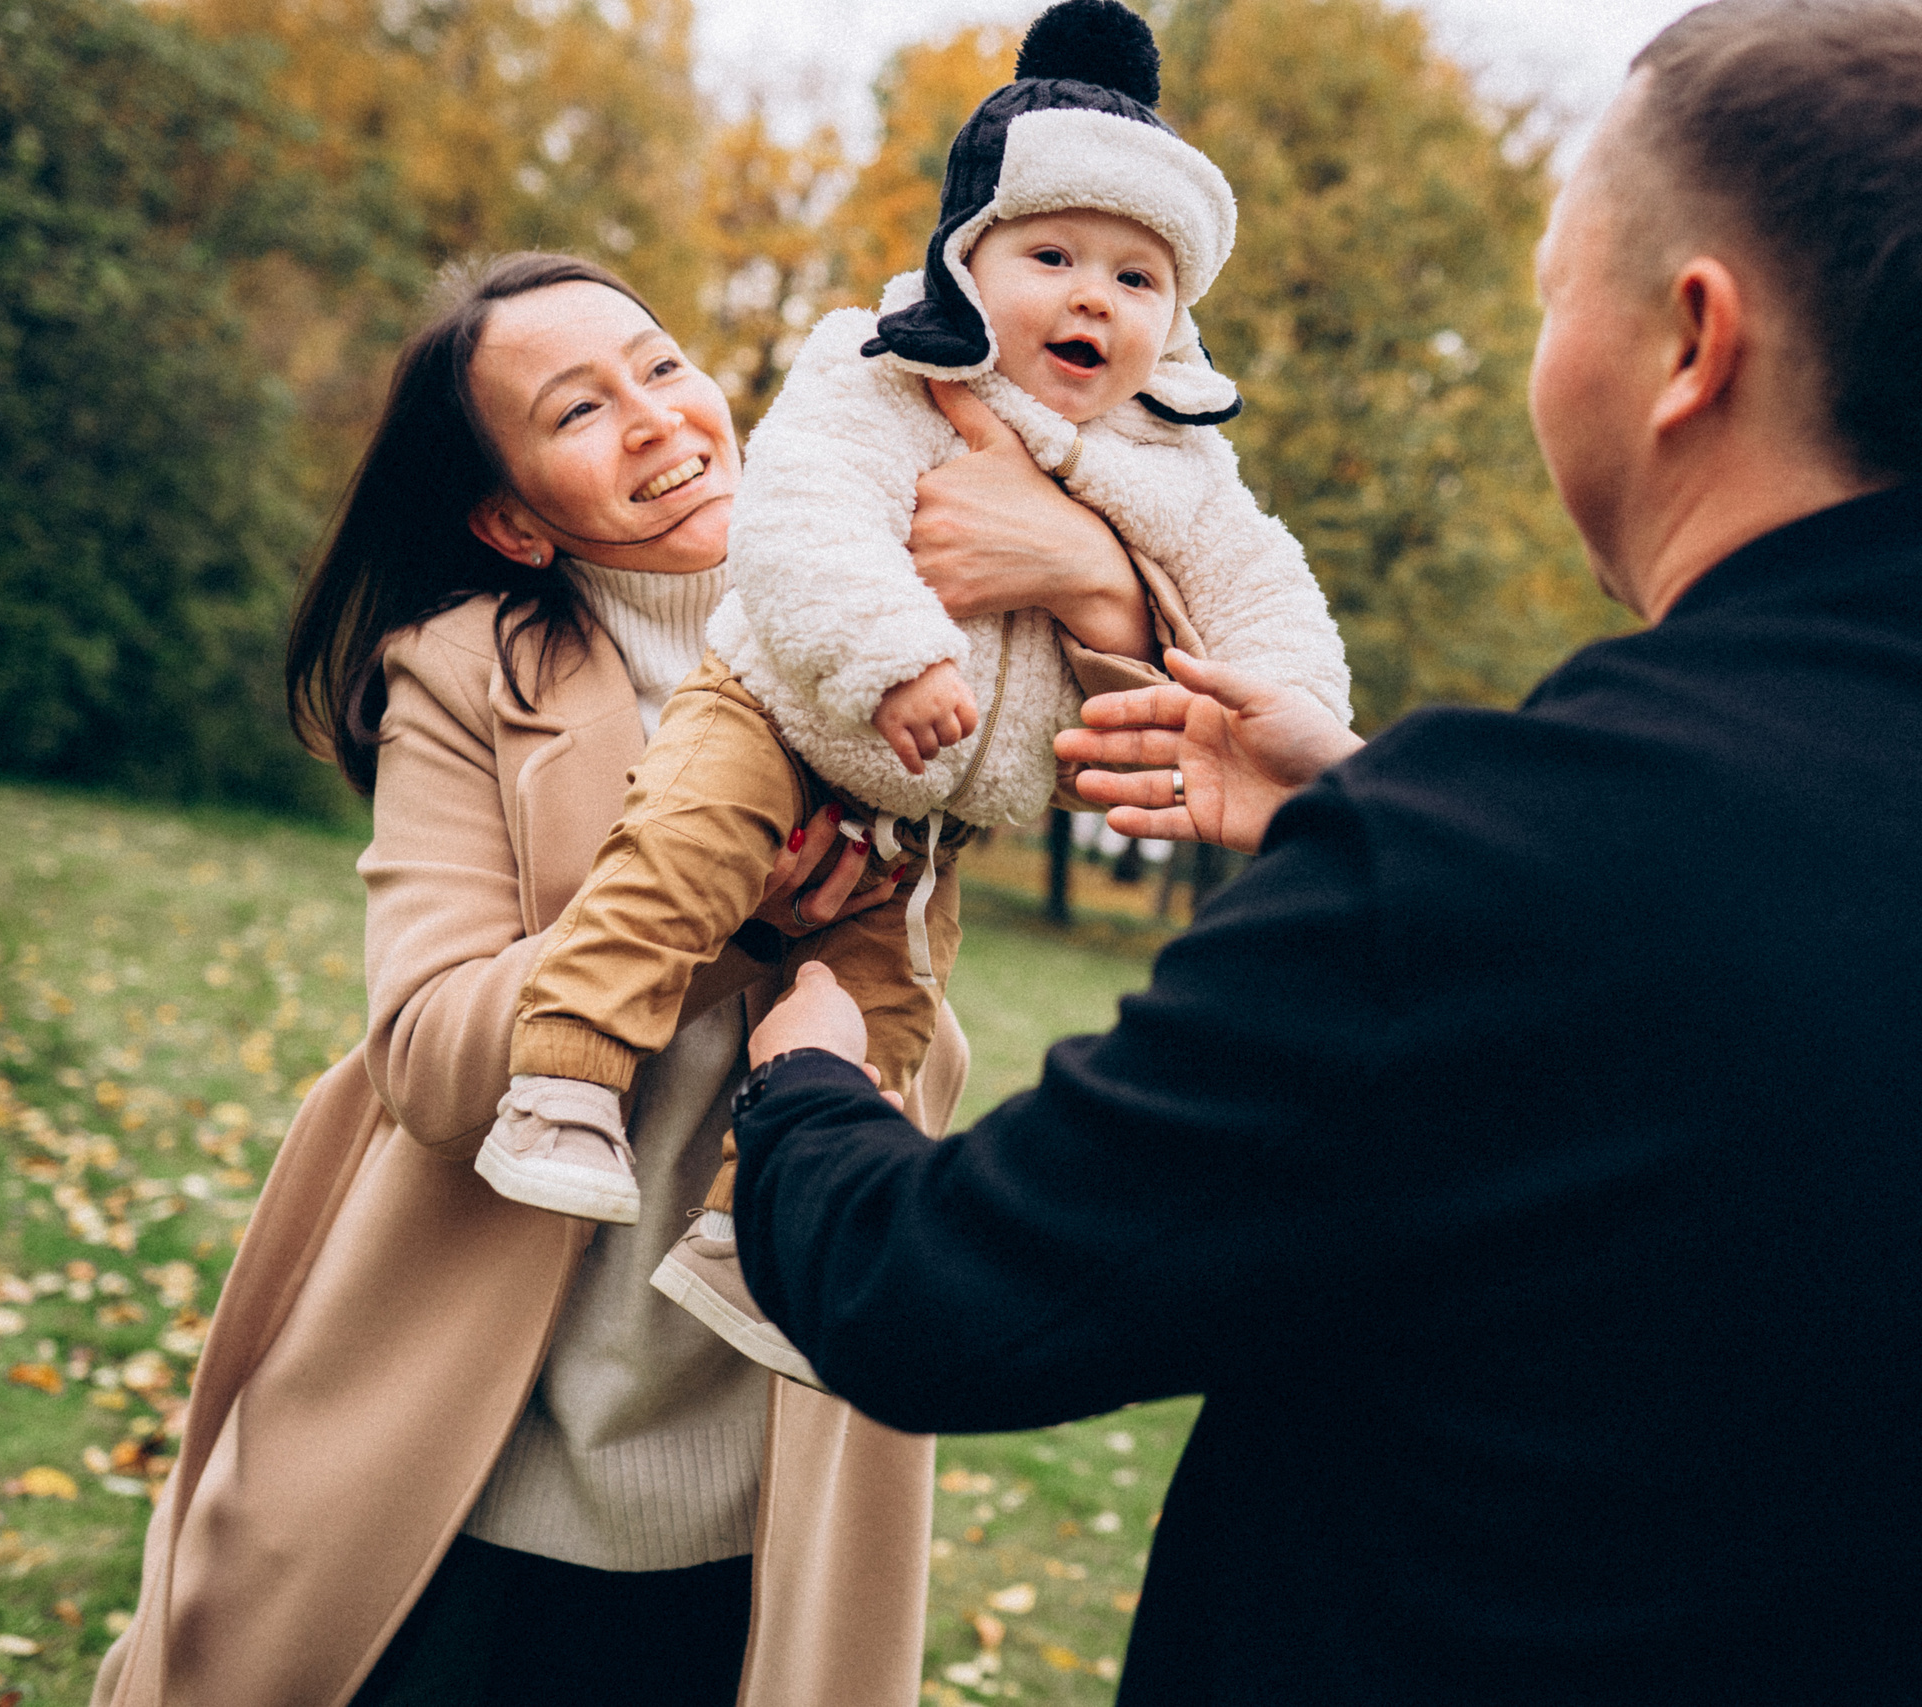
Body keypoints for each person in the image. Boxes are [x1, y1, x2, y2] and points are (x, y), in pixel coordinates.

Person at [724, 2, 1922, 1702]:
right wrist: (1354, 808)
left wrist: (808, 1077)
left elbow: (938, 1294)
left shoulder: (1498, 858)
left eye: (1554, 291)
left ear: (1692, 341)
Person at [91, 251, 1157, 1707]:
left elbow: (1159, 720)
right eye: (577, 410)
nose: (655, 417)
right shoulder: (465, 675)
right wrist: (733, 928)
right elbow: (431, 1063)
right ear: (512, 521)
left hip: (760, 1471)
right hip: (468, 1466)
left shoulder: (912, 621)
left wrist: (1086, 569)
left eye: (660, 366)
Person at [477, 0, 1347, 1388]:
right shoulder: (885, 370)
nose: (1092, 299)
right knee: (682, 856)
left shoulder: (1173, 462)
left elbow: (1261, 589)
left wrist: (1292, 708)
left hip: (925, 822)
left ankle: (752, 1234)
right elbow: (804, 517)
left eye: (1137, 278)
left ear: (1177, 317)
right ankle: (565, 1078)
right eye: (1052, 256)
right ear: (967, 258)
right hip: (784, 713)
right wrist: (894, 654)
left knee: (881, 1016)